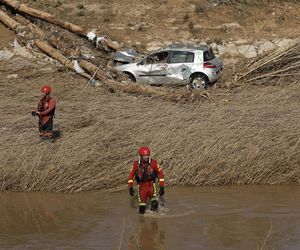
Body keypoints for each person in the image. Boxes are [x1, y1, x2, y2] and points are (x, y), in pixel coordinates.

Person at [128, 146, 165, 214]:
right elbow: (130, 176)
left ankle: (153, 219)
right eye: (145, 156)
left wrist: (162, 187)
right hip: (141, 187)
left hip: (151, 185)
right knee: (142, 208)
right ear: (141, 156)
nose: (146, 157)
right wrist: (130, 187)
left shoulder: (154, 163)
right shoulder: (136, 164)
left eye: (148, 155)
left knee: (154, 204)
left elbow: (161, 175)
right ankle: (142, 222)